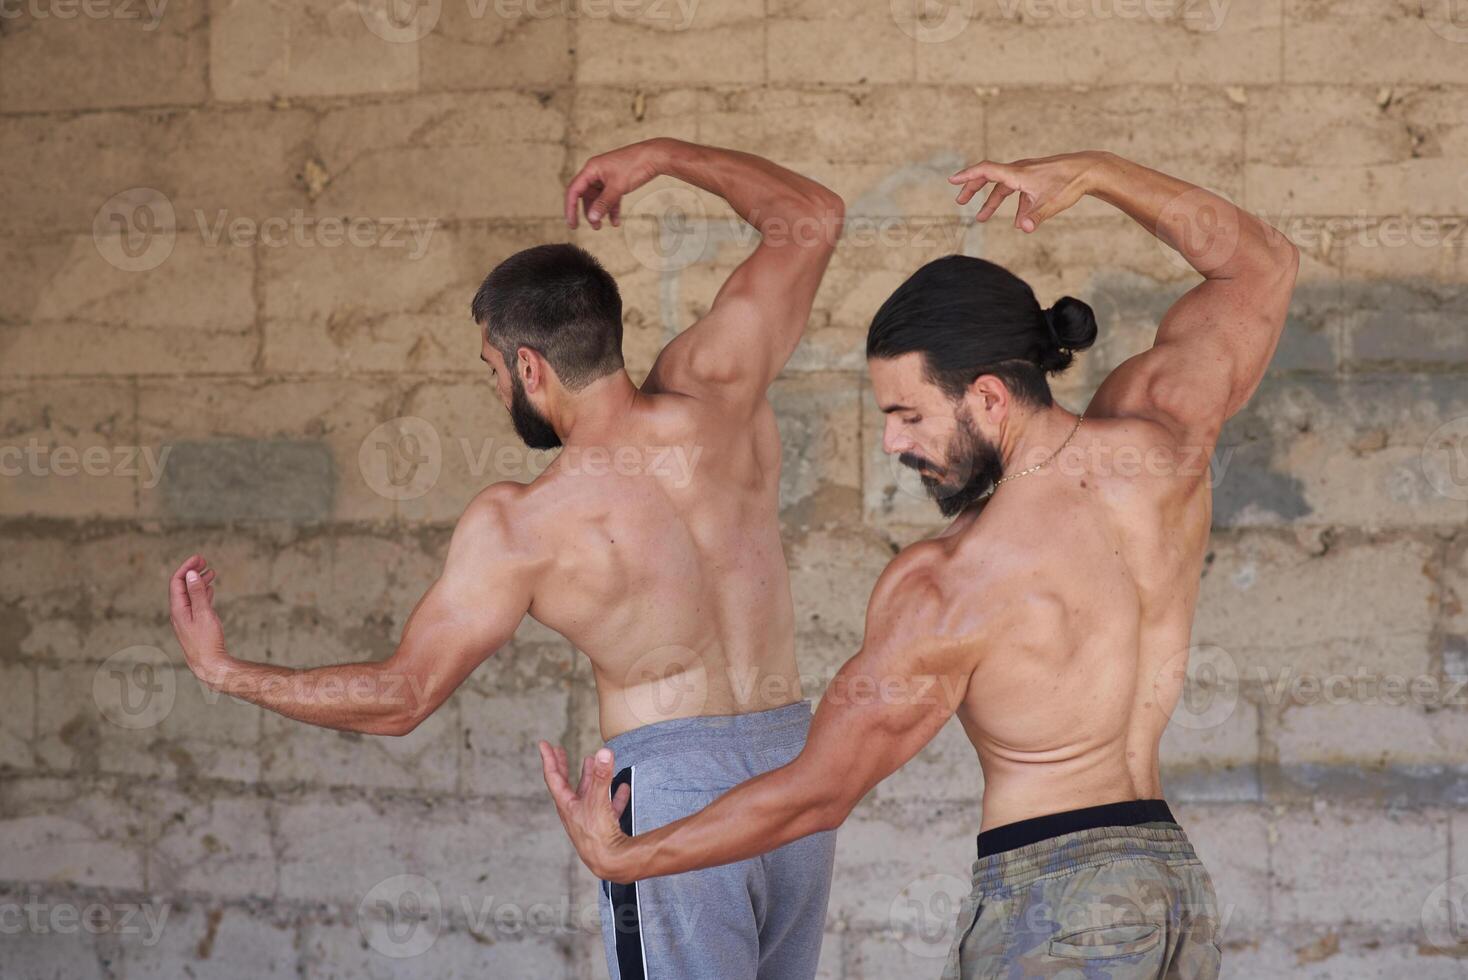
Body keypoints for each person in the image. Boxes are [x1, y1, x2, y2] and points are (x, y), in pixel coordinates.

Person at [538, 149, 1300, 979]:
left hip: (1053, 902)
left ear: (988, 396)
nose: (895, 443)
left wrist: (631, 857)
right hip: (1172, 889)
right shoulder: (1162, 441)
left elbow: (818, 791)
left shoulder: (949, 584)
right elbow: (1259, 265)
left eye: (907, 415)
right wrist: (1095, 174)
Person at [167, 136, 846, 980]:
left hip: (673, 798)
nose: (496, 390)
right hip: (797, 769)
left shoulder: (523, 524)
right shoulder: (720, 389)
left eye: (492, 370)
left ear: (530, 366)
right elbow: (811, 218)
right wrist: (662, 156)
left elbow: (401, 696)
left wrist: (228, 672)